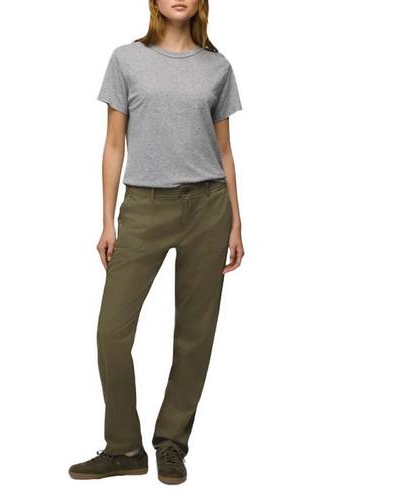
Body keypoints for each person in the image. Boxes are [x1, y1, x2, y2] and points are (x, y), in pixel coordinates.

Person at [69, 0, 245, 485]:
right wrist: (107, 222)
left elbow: (225, 150)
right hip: (144, 207)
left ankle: (171, 442)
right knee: (111, 332)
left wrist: (236, 221)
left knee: (194, 333)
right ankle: (124, 447)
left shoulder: (217, 67)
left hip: (208, 207)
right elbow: (113, 144)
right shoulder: (126, 59)